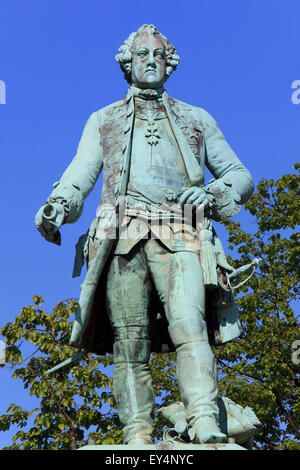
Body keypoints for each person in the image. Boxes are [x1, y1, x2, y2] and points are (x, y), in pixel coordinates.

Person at [35, 24, 254, 446]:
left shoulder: (196, 118)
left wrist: (209, 193)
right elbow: (80, 174)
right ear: (128, 64)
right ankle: (137, 431)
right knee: (129, 339)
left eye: (158, 54)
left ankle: (205, 418)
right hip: (122, 233)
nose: (150, 60)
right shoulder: (104, 119)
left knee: (189, 324)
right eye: (142, 55)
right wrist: (58, 205)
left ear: (169, 64)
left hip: (183, 229)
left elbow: (239, 174)